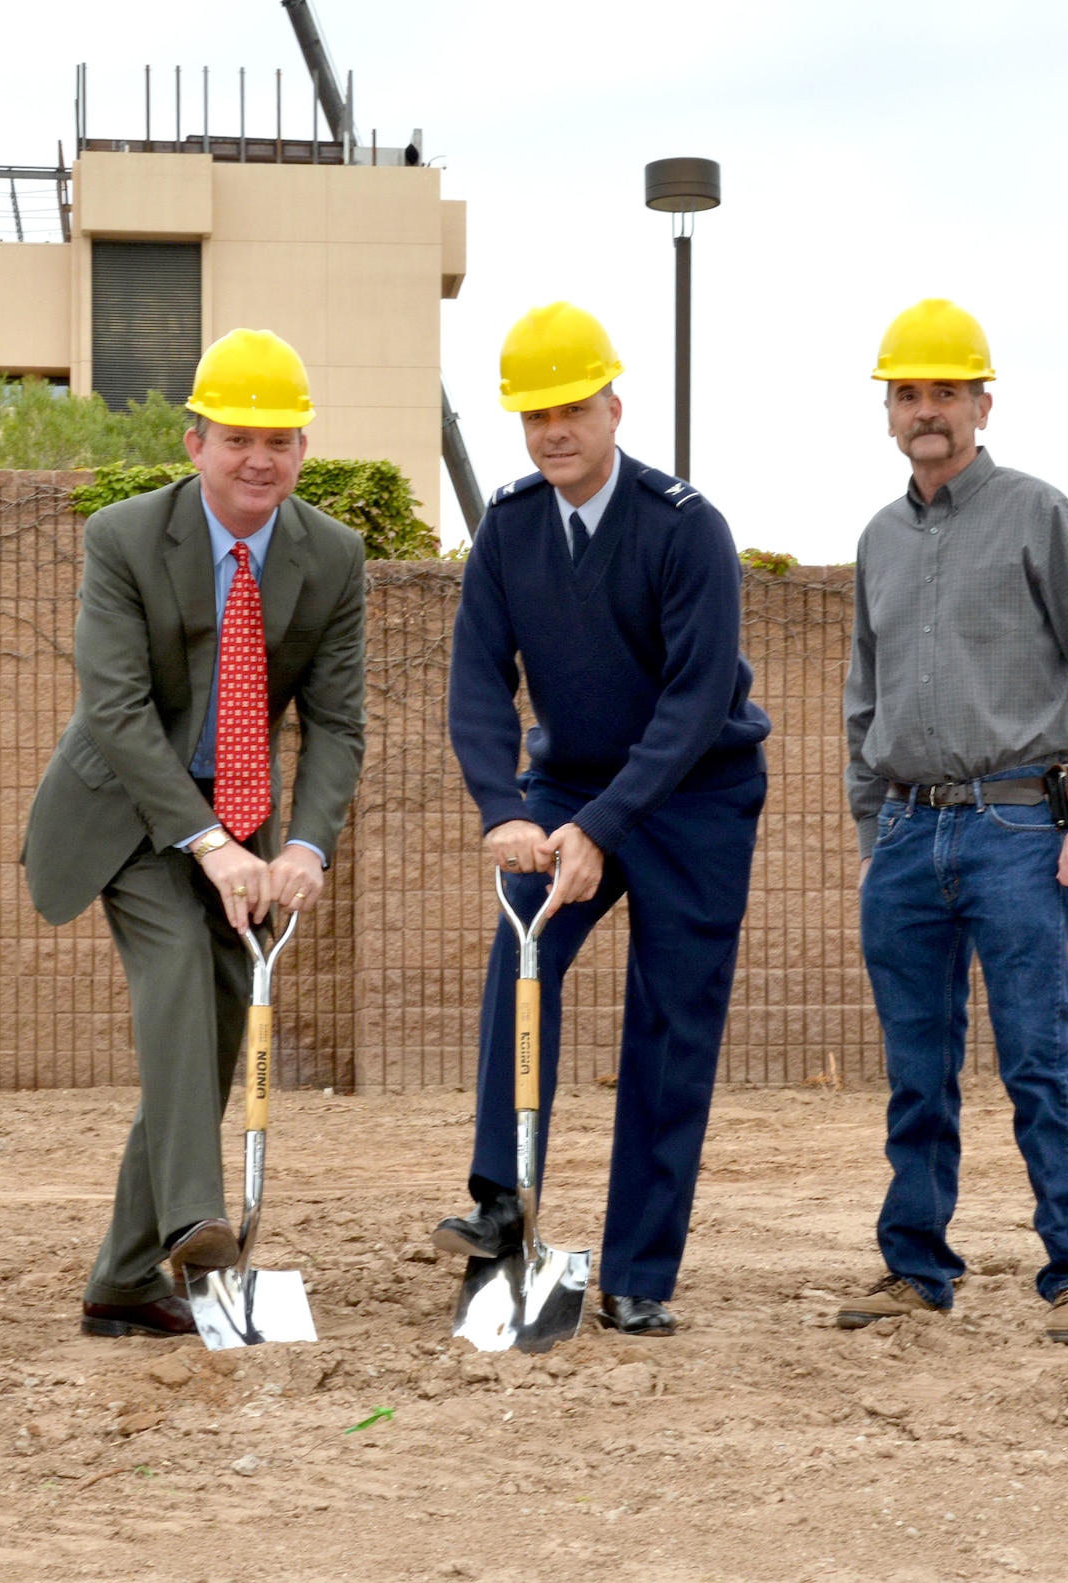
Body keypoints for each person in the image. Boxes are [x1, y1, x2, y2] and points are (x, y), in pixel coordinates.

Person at [432, 302, 772, 1336]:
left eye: (571, 407)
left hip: (695, 791)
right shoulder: (510, 524)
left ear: (612, 405)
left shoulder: (684, 526)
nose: (552, 430)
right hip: (567, 785)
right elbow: (477, 685)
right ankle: (501, 1198)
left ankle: (638, 1269)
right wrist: (504, 808)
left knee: (671, 1019)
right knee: (520, 947)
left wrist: (606, 824)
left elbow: (693, 697)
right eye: (532, 413)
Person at [22, 329, 366, 1340]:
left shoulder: (330, 554)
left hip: (246, 826)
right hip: (124, 815)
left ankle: (124, 1278)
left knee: (210, 1040)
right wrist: (209, 842)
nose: (258, 457)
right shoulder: (126, 537)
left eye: (280, 437)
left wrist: (303, 843)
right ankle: (193, 1221)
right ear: (194, 440)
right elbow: (118, 708)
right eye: (235, 436)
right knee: (175, 977)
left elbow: (336, 720)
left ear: (301, 448)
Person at [834, 298, 1068, 1346]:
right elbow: (860, 696)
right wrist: (870, 825)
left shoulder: (1036, 513)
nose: (924, 410)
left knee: (1033, 1059)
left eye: (943, 392)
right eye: (906, 393)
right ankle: (914, 1267)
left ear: (980, 400)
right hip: (904, 838)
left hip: (1017, 830)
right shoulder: (878, 537)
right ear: (887, 408)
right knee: (913, 1068)